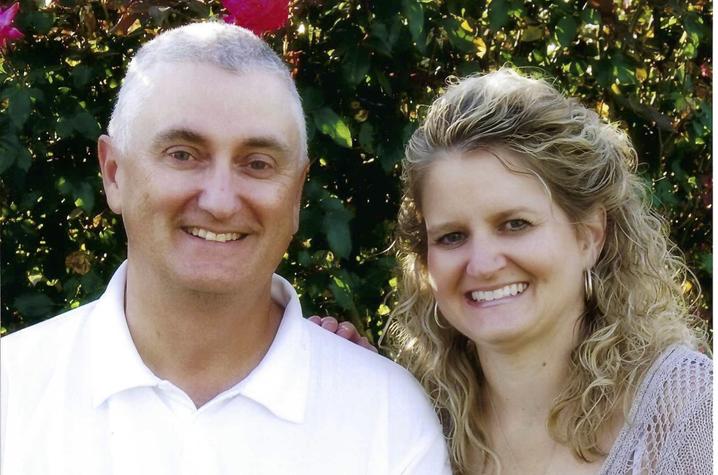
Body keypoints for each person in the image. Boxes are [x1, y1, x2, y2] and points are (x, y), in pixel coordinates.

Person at [0, 22, 450, 475]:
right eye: (182, 154)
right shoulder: (12, 392)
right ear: (115, 173)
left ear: (295, 195)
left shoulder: (386, 418)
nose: (219, 201)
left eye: (257, 164)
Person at [318, 67, 712, 474]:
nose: (483, 264)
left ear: (590, 235)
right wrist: (356, 396)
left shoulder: (687, 415)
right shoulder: (409, 421)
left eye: (515, 224)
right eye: (452, 236)